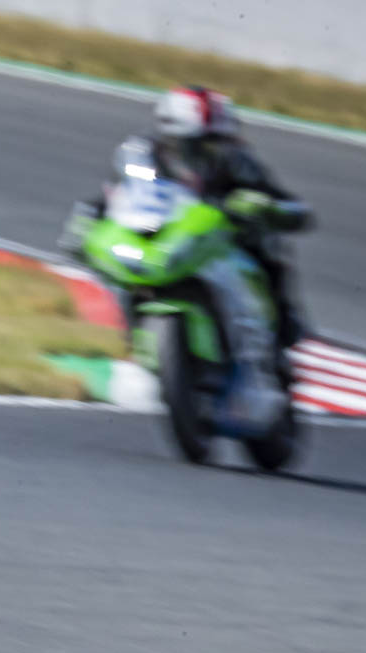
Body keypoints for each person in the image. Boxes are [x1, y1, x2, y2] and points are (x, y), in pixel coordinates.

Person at [67, 86, 314, 422]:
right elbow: (122, 193)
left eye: (213, 143)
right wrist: (89, 217)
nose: (204, 151)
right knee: (123, 267)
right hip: (167, 239)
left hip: (223, 242)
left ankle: (282, 324)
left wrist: (264, 206)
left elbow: (290, 206)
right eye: (195, 143)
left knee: (267, 246)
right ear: (168, 136)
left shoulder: (236, 162)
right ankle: (138, 346)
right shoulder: (141, 157)